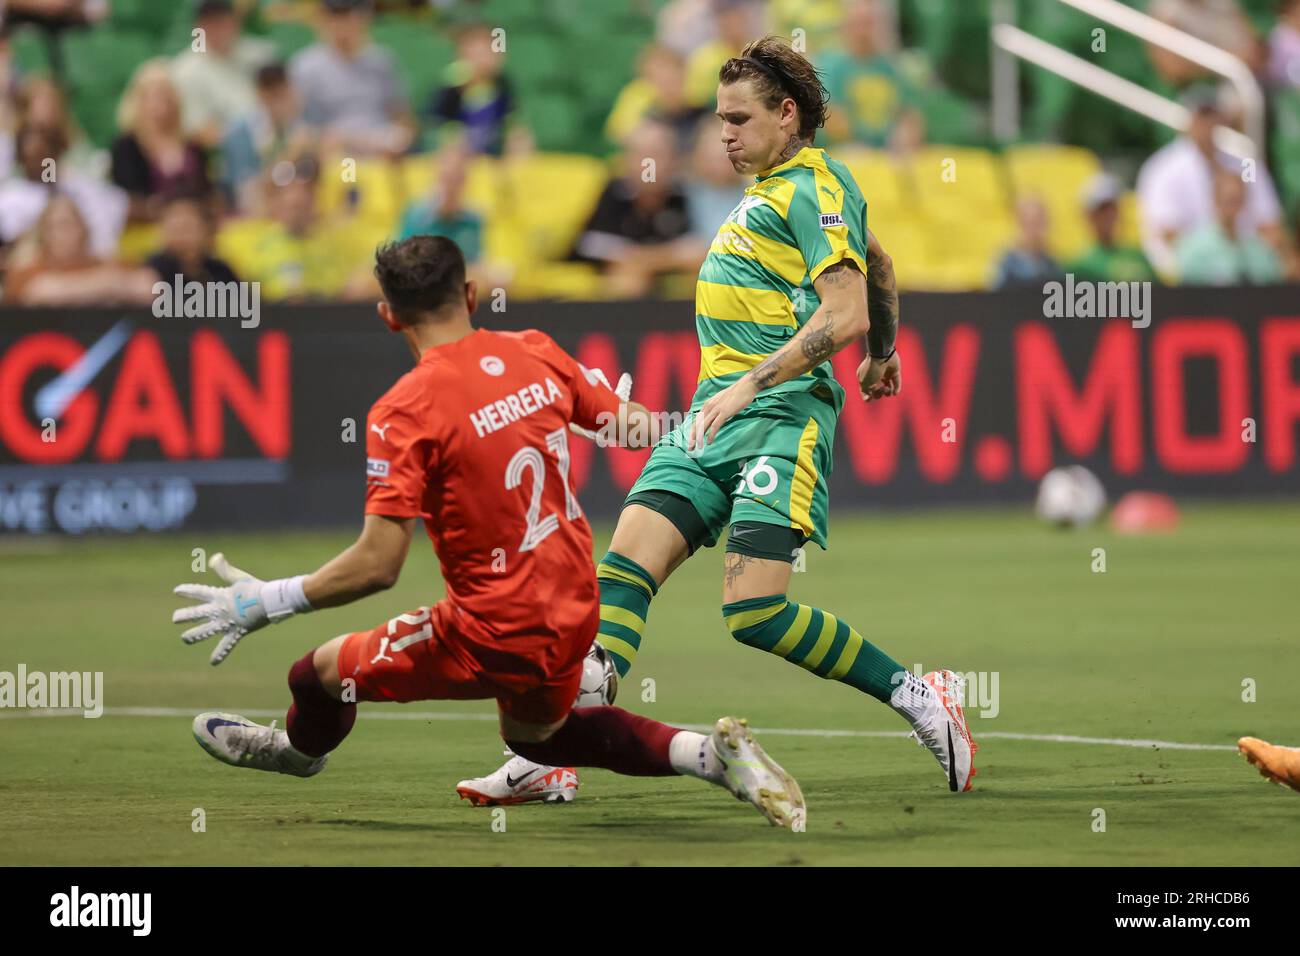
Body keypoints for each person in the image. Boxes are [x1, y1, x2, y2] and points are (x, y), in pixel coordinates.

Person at [459, 36, 977, 807]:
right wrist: (884, 355)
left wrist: (760, 382)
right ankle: (550, 753)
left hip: (778, 418)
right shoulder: (777, 191)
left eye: (739, 118)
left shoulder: (812, 186)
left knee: (756, 612)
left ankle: (917, 694)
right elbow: (880, 263)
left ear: (787, 114)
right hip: (710, 423)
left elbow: (846, 309)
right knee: (620, 576)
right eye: (718, 118)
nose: (723, 133)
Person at [171, 235, 806, 829]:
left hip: (492, 627)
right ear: (471, 295)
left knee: (315, 675)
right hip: (577, 606)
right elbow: (638, 426)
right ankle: (713, 758)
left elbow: (379, 564)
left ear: (389, 316)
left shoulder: (402, 412)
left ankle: (296, 753)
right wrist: (593, 419)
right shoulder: (533, 350)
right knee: (541, 737)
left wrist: (270, 599)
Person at [1136, 86, 1287, 277]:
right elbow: (1167, 234)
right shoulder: (1163, 168)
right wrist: (1216, 250)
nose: (1207, 123)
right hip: (1187, 273)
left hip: (1246, 268)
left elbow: (1268, 220)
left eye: (1212, 114)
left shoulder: (1246, 163)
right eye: (1202, 116)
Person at [570, 118, 702, 296]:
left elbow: (695, 250)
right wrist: (659, 258)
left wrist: (646, 261)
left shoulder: (681, 195)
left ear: (674, 161)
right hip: (607, 286)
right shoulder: (613, 192)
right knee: (627, 280)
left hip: (667, 282)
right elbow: (592, 245)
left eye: (658, 154)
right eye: (642, 155)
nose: (650, 165)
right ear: (627, 160)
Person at [288, 0, 414, 158]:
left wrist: (400, 141)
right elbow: (297, 128)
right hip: (335, 157)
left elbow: (404, 119)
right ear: (323, 19)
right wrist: (334, 139)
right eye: (337, 15)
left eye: (350, 14)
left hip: (382, 153)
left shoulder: (381, 61)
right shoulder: (306, 66)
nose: (344, 22)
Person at [0, 121, 127, 258]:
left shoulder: (80, 187)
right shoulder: (9, 199)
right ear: (21, 159)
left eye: (45, 155)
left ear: (57, 154)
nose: (43, 164)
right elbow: (10, 248)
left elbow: (112, 212)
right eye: (34, 157)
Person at [3, 194, 155, 306]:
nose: (61, 234)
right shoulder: (25, 272)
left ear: (83, 229)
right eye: (52, 228)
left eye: (67, 224)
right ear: (43, 234)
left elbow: (149, 286)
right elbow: (37, 292)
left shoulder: (106, 263)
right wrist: (108, 284)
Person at [111, 60, 213, 223]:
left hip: (194, 228)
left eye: (165, 94)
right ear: (138, 101)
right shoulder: (126, 147)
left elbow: (207, 192)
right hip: (146, 230)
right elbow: (123, 199)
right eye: (153, 95)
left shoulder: (192, 145)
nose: (160, 102)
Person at [818, 0, 925, 154]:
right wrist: (862, 141)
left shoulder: (888, 68)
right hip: (846, 152)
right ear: (846, 26)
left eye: (869, 24)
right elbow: (829, 114)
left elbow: (909, 114)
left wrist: (904, 135)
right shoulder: (831, 65)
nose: (863, 31)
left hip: (887, 154)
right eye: (858, 23)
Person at [170, 0, 275, 150]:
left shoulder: (262, 55)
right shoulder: (184, 71)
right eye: (210, 22)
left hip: (274, 147)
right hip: (224, 157)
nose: (217, 27)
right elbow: (199, 131)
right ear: (198, 27)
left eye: (222, 19)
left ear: (235, 21)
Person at [1175, 168, 1284, 283]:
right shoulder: (1193, 247)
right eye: (1229, 200)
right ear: (1215, 199)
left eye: (1238, 200)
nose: (1234, 208)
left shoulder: (1258, 250)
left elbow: (1271, 283)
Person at [1064, 173, 1155, 282]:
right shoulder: (1079, 266)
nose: (1109, 216)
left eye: (1113, 208)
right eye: (1102, 210)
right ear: (1089, 216)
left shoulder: (1139, 257)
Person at [145, 194, 240, 286]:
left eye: (187, 228)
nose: (180, 237)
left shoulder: (219, 270)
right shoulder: (153, 273)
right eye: (174, 229)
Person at [991, 195, 1062, 289]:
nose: (1035, 229)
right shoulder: (1006, 263)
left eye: (1039, 222)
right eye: (1030, 223)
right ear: (1019, 223)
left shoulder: (1051, 264)